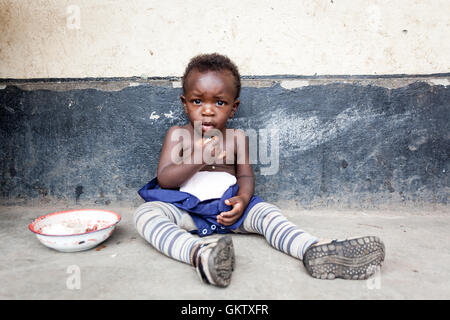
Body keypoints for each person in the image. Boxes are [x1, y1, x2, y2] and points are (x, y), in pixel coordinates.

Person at [134, 53, 385, 287]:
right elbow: (165, 180)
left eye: (219, 102)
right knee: (146, 215)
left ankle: (313, 249)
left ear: (233, 107)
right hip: (187, 210)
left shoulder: (236, 138)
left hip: (229, 208)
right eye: (197, 101)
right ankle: (200, 253)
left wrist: (243, 200)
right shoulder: (178, 135)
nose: (207, 110)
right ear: (185, 103)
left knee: (268, 213)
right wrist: (198, 157)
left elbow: (244, 175)